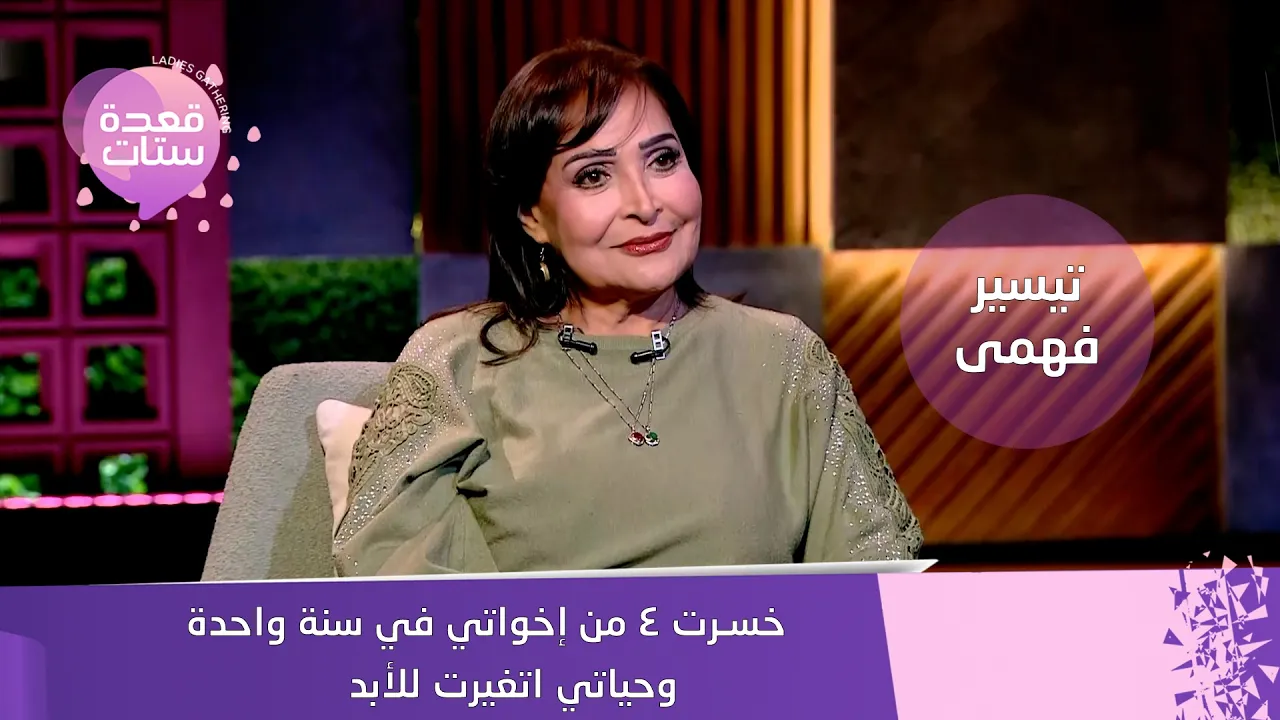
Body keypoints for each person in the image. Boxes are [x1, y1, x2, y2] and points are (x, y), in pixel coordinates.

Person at [333, 39, 922, 576]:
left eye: (663, 160)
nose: (645, 203)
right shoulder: (456, 363)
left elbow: (877, 583)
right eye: (593, 176)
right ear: (532, 216)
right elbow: (394, 598)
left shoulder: (784, 358)